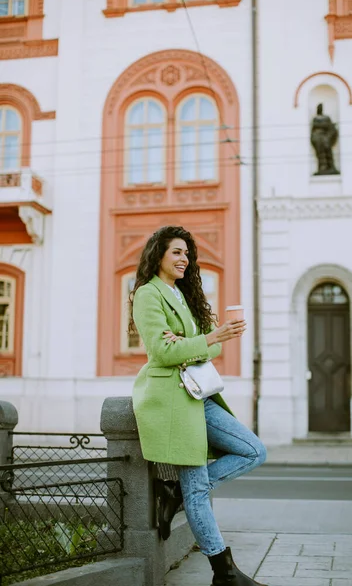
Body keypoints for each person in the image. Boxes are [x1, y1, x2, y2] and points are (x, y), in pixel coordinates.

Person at [129, 225, 268, 586]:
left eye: (187, 254)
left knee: (254, 450)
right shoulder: (148, 294)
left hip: (198, 394)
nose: (184, 259)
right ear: (158, 253)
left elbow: (212, 347)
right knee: (197, 491)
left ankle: (178, 491)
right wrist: (204, 340)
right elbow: (162, 352)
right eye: (176, 252)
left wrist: (199, 340)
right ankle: (224, 574)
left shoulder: (183, 295)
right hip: (173, 401)